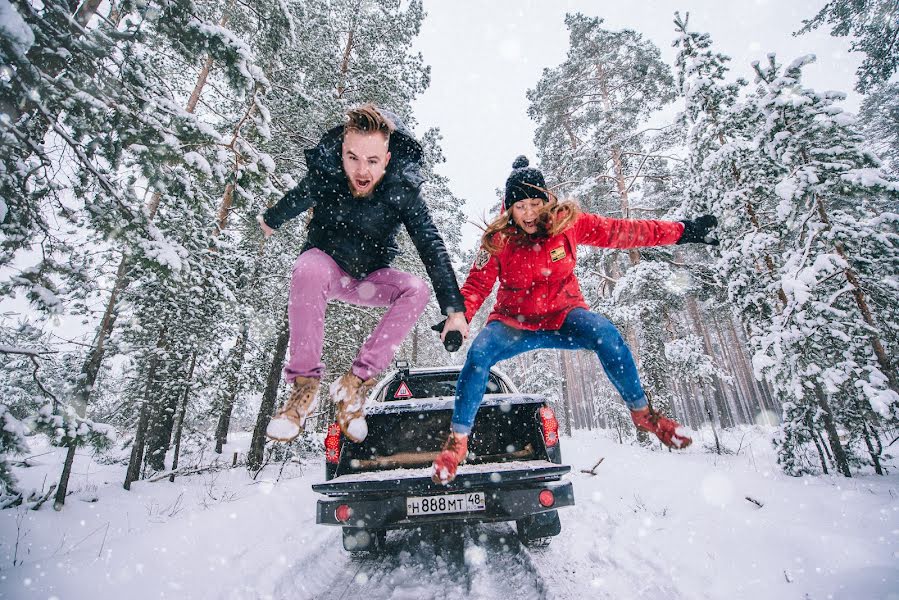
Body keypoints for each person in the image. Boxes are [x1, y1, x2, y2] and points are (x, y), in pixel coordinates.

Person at [431, 156, 718, 484]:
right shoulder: (498, 240)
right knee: (479, 354)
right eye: (519, 206)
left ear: (547, 201)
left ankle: (642, 413)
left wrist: (684, 231)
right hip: (514, 324)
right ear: (509, 209)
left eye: (534, 204)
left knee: (606, 333)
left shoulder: (568, 224)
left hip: (564, 315)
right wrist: (460, 316)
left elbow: (625, 232)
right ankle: (458, 441)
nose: (527, 214)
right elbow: (476, 286)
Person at [259, 104, 469, 444]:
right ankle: (303, 390)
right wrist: (270, 220)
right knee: (307, 267)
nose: (361, 170)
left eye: (372, 161)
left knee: (416, 289)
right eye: (353, 158)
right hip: (328, 268)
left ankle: (354, 386)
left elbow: (431, 244)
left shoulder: (403, 188)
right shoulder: (326, 173)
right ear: (342, 152)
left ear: (386, 159)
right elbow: (296, 198)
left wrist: (454, 309)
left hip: (371, 279)